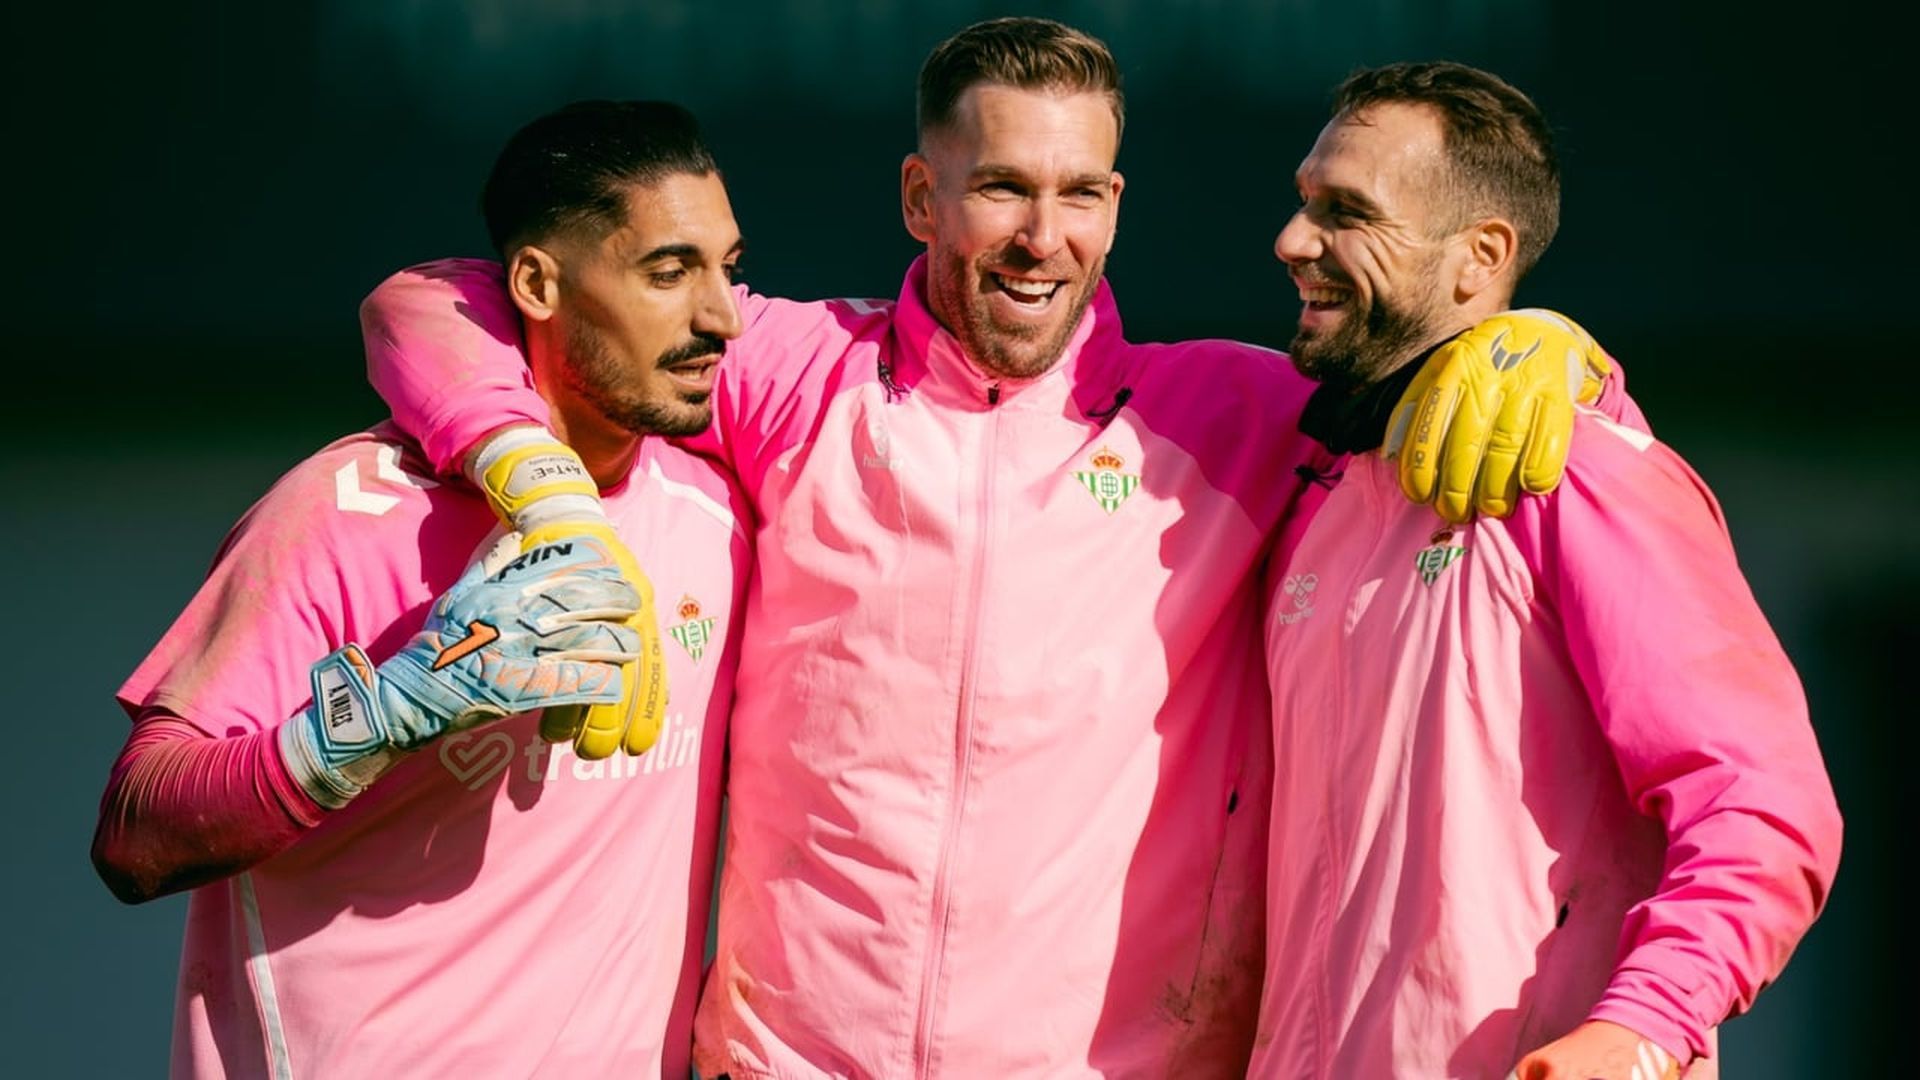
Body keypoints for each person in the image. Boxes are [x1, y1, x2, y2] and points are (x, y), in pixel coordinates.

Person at [355, 20, 1618, 1076]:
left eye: (1080, 195)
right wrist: (552, 505)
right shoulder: (794, 374)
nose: (1041, 235)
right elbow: (429, 304)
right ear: (922, 195)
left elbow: (1444, 365)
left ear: (1116, 208)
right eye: (1004, 186)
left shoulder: (1238, 416)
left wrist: (1561, 353)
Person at [91, 100, 752, 1078]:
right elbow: (135, 836)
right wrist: (393, 713)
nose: (721, 317)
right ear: (534, 282)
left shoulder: (718, 519)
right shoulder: (342, 512)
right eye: (667, 271)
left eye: (728, 268)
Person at [1253, 61, 1843, 1079]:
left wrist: (1645, 1029)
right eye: (1306, 203)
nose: (1294, 242)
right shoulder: (1314, 499)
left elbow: (1763, 804)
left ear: (1482, 255)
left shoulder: (1582, 471)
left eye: (1348, 212)